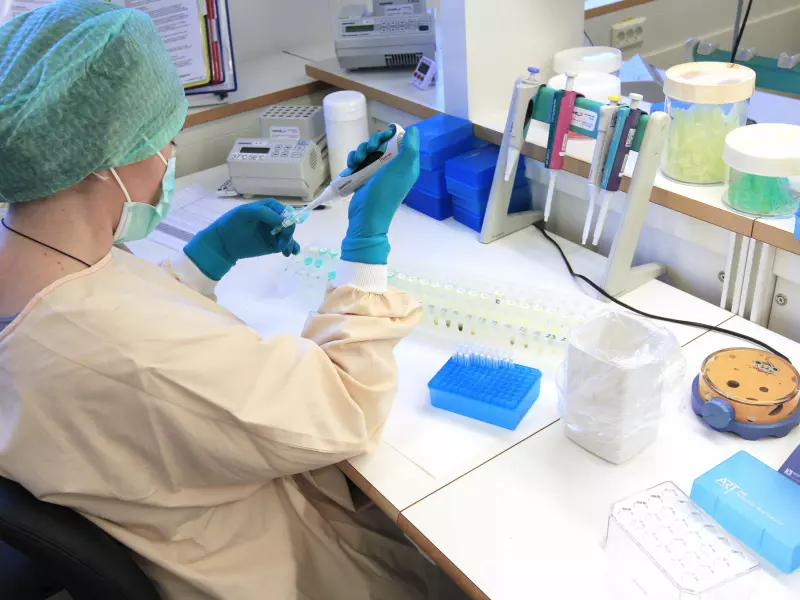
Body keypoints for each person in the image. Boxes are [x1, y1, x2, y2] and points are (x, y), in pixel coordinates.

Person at [0, 2, 463, 598]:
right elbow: (343, 410)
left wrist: (206, 258)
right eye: (164, 137)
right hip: (271, 565)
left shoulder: (37, 260)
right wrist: (366, 246)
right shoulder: (129, 353)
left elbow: (111, 310)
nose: (169, 155)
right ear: (100, 160)